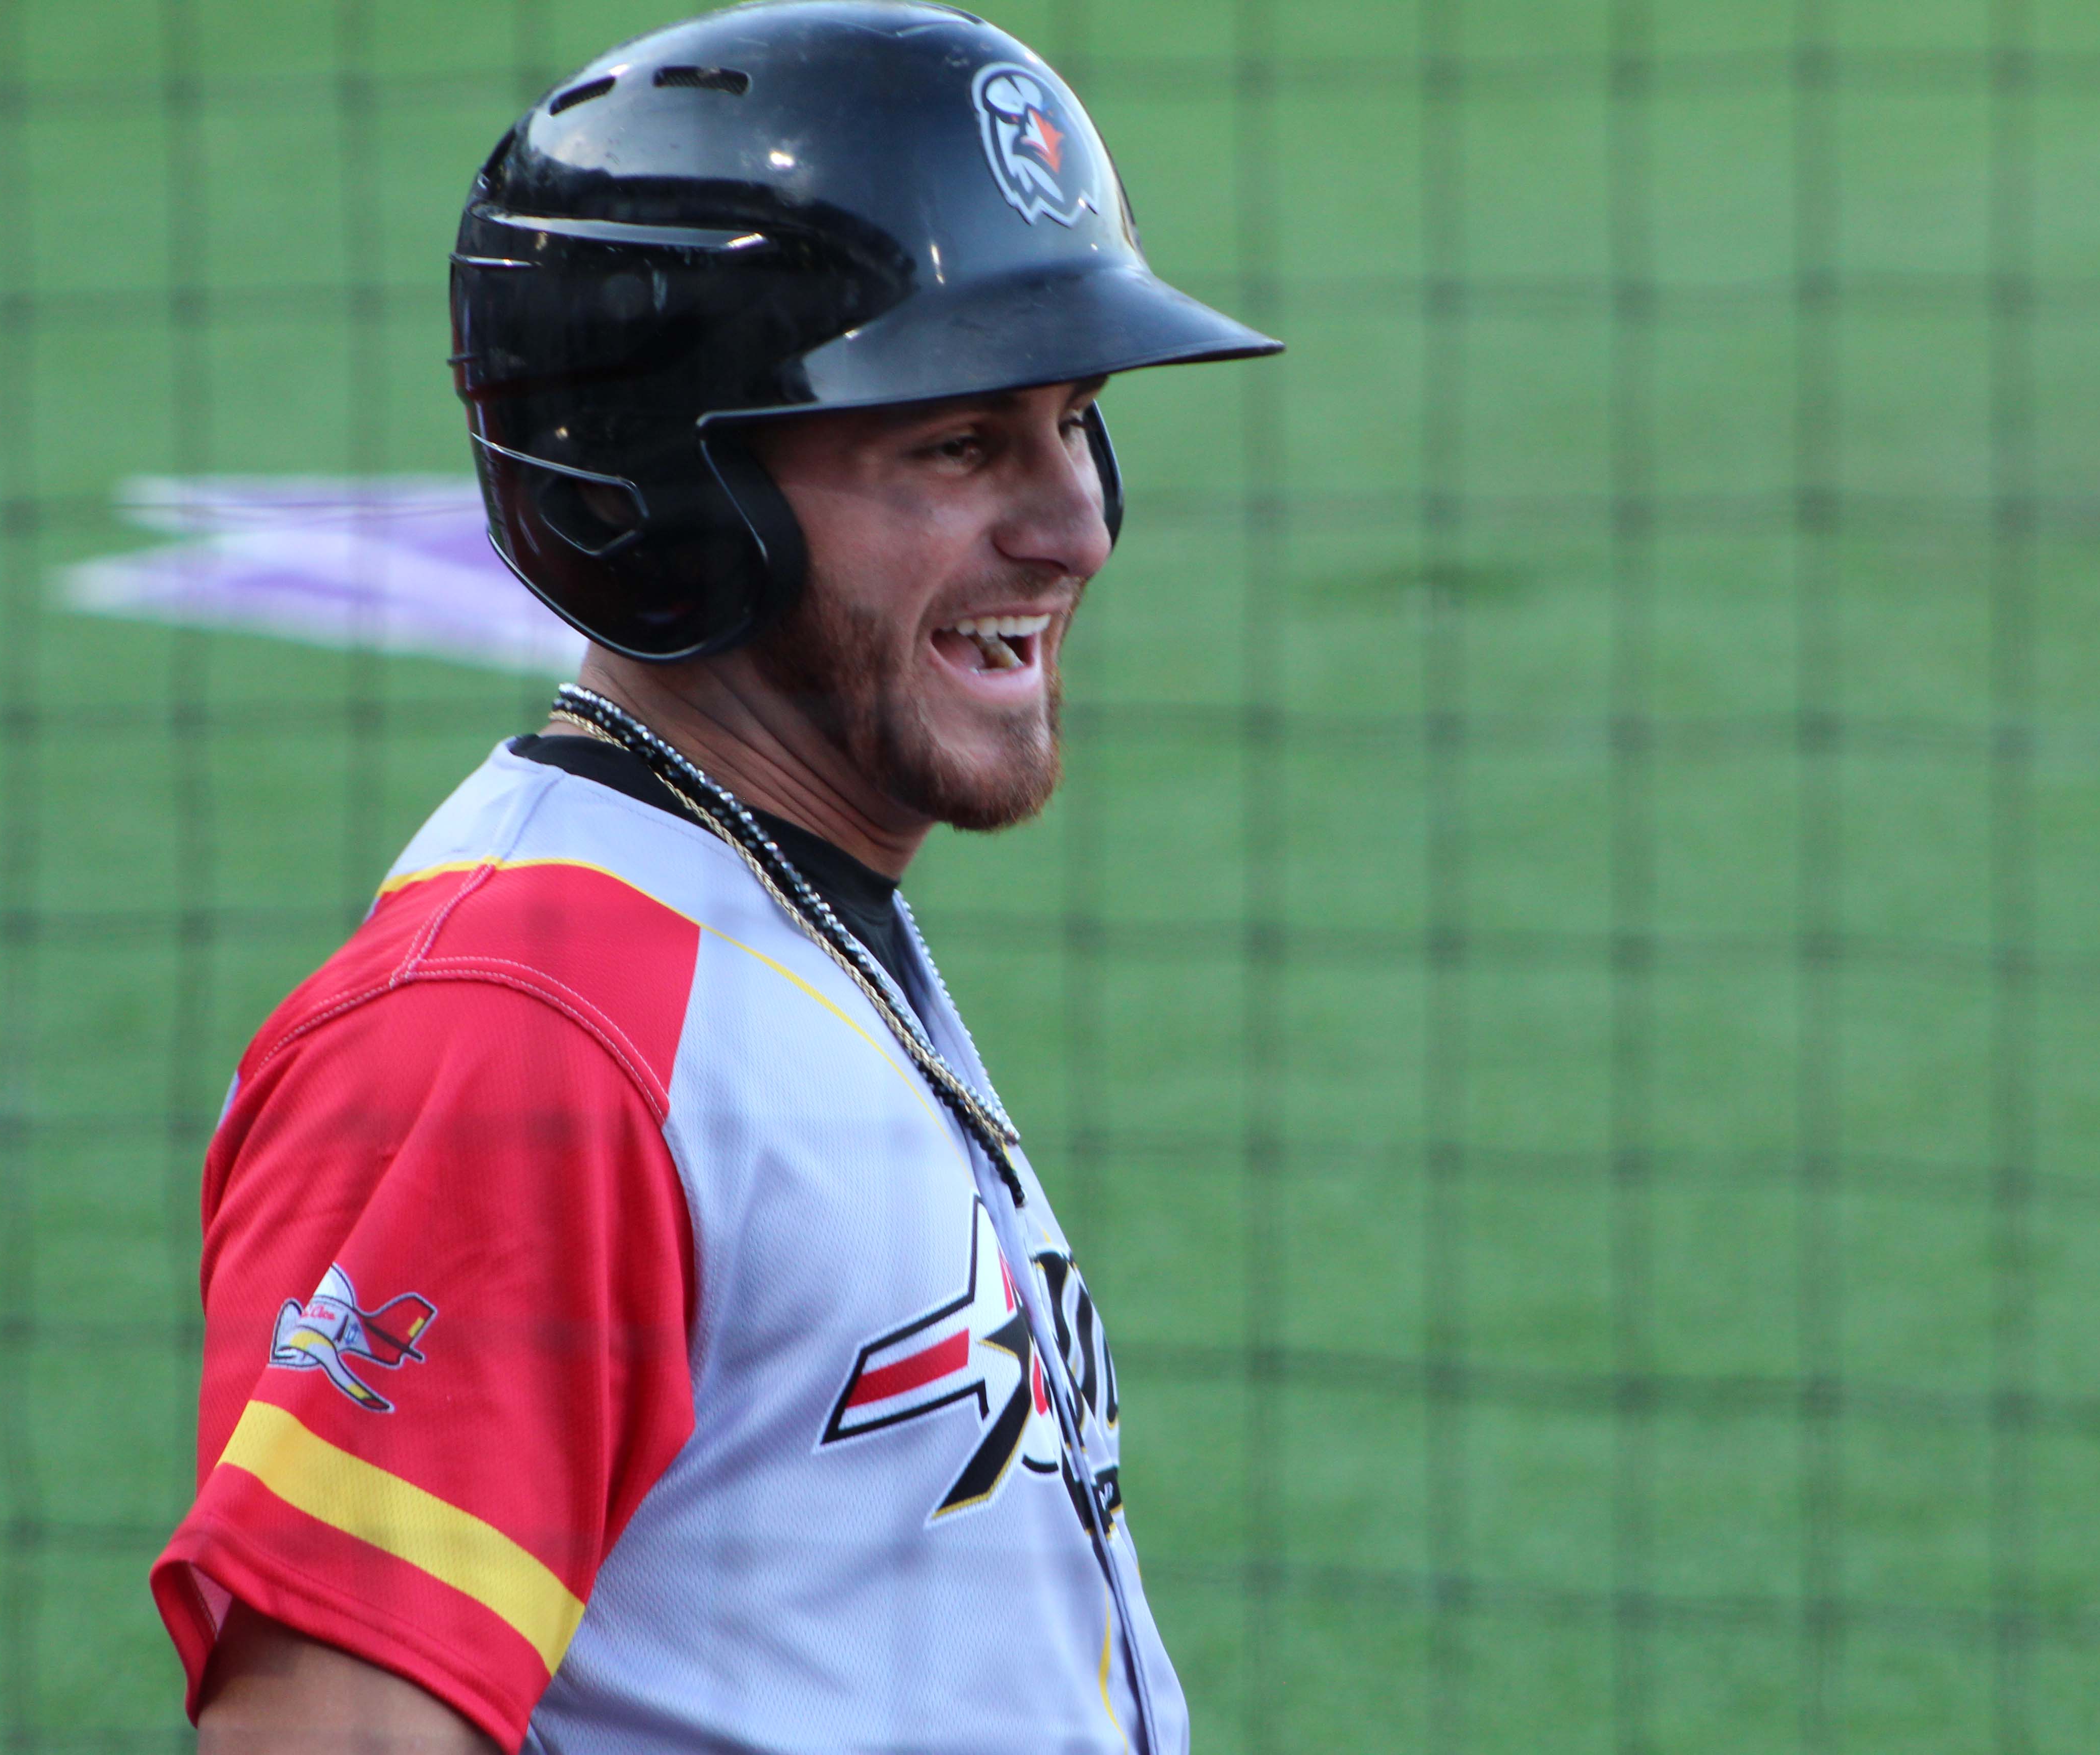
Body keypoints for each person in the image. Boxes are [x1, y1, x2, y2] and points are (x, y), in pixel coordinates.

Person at [146, 5, 1280, 1753]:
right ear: (664, 499)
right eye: (961, 445)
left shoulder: (765, 914)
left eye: (1075, 422)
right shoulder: (526, 1026)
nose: (1073, 526)